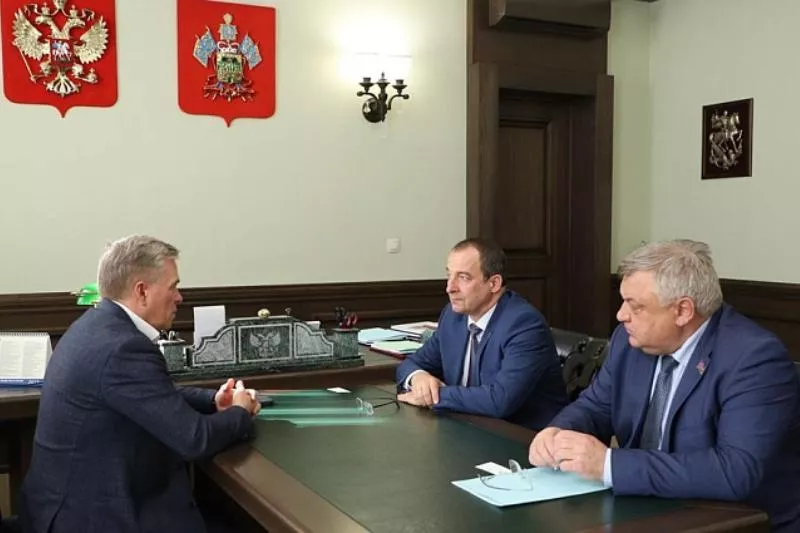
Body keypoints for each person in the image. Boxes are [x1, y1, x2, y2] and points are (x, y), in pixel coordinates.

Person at [529, 239, 800, 532]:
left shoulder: (753, 359)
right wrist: (557, 433)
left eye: (636, 306)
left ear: (682, 311)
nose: (621, 315)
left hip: (737, 522)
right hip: (647, 508)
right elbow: (596, 406)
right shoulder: (628, 341)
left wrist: (609, 465)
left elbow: (735, 471)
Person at [20, 235, 261, 533]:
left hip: (59, 509)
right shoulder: (123, 347)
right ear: (142, 291)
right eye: (173, 287)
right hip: (95, 519)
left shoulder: (94, 326)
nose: (179, 297)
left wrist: (212, 400)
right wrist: (240, 411)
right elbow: (195, 439)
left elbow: (151, 394)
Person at [395, 238, 567, 430]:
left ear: (494, 283)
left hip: (521, 436)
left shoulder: (524, 325)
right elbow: (411, 364)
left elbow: (500, 400)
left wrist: (434, 395)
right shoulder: (453, 317)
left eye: (463, 277)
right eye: (449, 275)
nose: (450, 288)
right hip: (467, 427)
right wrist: (418, 377)